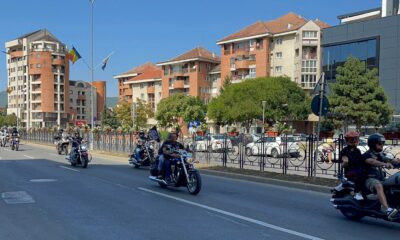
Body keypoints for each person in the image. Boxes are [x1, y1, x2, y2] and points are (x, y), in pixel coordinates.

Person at [363, 133, 400, 220]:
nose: (382, 145)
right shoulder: (367, 155)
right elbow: (372, 162)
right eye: (380, 143)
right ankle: (385, 209)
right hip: (369, 179)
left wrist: (397, 161)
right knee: (379, 186)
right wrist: (384, 164)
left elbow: (390, 159)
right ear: (373, 144)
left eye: (382, 143)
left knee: (393, 185)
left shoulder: (379, 154)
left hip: (380, 178)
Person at [340, 131, 364, 200]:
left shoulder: (357, 150)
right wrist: (345, 162)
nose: (353, 141)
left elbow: (361, 159)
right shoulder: (345, 150)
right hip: (350, 171)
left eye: (355, 139)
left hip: (358, 169)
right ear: (347, 140)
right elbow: (344, 159)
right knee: (360, 172)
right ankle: (357, 192)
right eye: (351, 139)